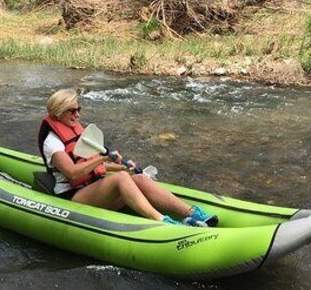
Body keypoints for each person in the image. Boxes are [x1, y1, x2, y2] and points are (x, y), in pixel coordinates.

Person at [38, 88, 216, 226]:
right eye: (72, 111)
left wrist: (123, 167)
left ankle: (192, 213)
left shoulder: (74, 128)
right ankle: (162, 221)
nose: (78, 114)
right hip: (72, 197)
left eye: (79, 109)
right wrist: (104, 158)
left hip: (91, 188)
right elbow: (72, 173)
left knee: (136, 177)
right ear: (58, 112)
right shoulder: (52, 143)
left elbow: (93, 168)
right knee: (121, 179)